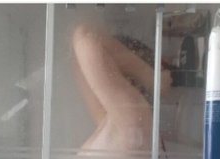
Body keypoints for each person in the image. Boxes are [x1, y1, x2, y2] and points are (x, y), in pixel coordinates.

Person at [72, 23, 172, 151]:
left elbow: (85, 35)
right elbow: (81, 52)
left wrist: (152, 78)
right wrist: (152, 78)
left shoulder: (132, 124)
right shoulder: (119, 128)